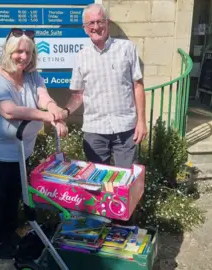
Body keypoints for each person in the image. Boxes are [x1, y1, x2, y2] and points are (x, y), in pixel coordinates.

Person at [0, 28, 68, 259]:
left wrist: (54, 108)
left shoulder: (32, 76)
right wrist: (47, 117)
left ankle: (10, 232)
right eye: (18, 52)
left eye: (28, 52)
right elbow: (8, 111)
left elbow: (44, 97)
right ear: (8, 51)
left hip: (20, 150)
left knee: (15, 194)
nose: (23, 57)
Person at [61, 3, 147, 169]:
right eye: (91, 23)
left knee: (126, 180)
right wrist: (64, 112)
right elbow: (78, 95)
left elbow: (138, 86)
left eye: (100, 21)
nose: (96, 26)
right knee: (97, 183)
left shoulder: (127, 48)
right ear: (85, 28)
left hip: (126, 129)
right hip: (95, 131)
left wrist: (142, 121)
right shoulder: (81, 56)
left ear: (107, 23)